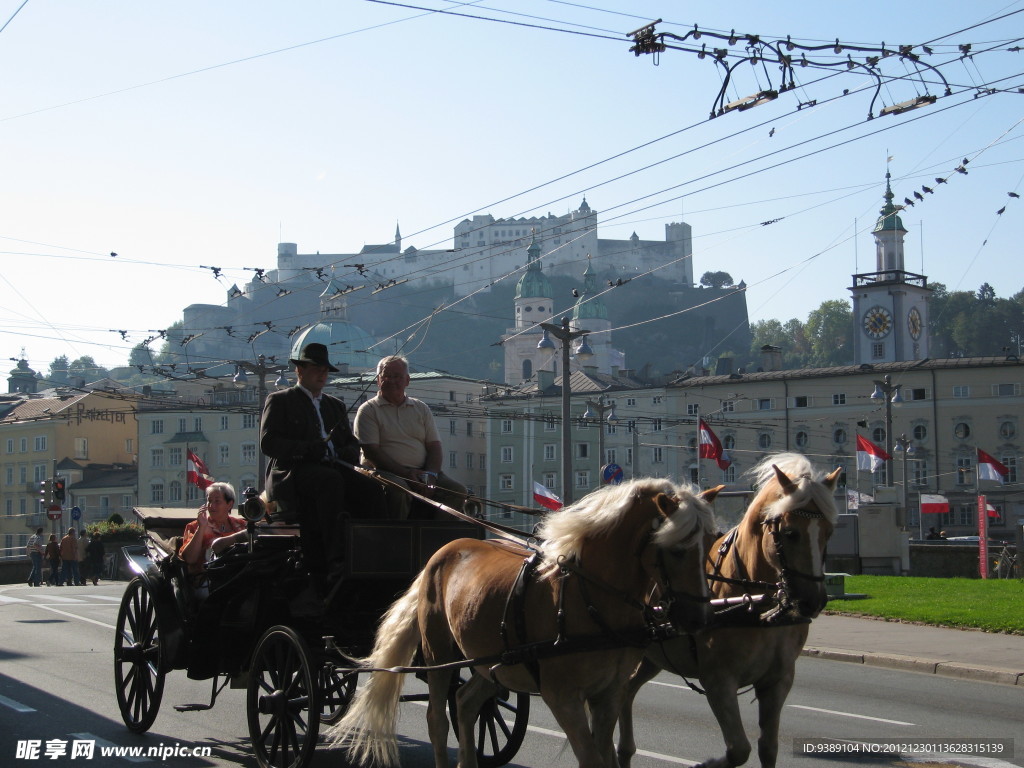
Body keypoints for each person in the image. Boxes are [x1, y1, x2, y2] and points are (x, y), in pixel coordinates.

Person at [260, 342, 361, 586]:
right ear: (300, 371)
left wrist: (346, 452)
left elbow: (352, 443)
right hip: (293, 474)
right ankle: (335, 558)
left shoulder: (334, 405)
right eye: (317, 368)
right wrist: (306, 450)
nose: (323, 374)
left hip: (333, 469)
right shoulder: (280, 400)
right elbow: (269, 443)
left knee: (370, 486)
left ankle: (371, 551)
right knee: (329, 480)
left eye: (325, 370)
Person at [354, 354, 468, 520]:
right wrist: (406, 474)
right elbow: (372, 452)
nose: (392, 381)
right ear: (378, 380)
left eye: (397, 376)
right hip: (384, 472)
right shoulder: (368, 410)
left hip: (422, 471)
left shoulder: (421, 408)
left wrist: (431, 475)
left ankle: (437, 537)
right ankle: (399, 539)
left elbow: (434, 446)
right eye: (387, 376)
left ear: (407, 380)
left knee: (457, 491)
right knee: (399, 491)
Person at [179, 482, 248, 575]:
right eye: (209, 501)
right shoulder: (194, 526)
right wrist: (201, 528)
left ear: (230, 504)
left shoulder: (242, 526)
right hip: (206, 581)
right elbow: (190, 559)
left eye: (217, 501)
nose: (211, 506)